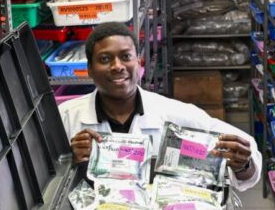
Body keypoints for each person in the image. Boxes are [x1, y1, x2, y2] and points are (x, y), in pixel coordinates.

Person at [59, 22, 261, 191]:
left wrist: (243, 164)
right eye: (105, 59)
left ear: (138, 63)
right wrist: (70, 160)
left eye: (126, 56)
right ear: (90, 70)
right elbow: (44, 187)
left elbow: (246, 155)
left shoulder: (174, 113)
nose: (117, 66)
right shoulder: (66, 117)